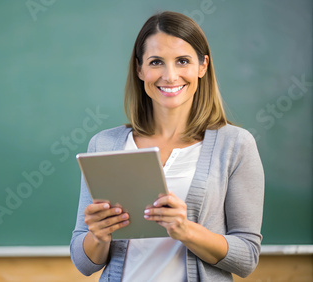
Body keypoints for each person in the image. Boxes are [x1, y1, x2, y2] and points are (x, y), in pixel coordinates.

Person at [70, 11, 265, 282]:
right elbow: (84, 263)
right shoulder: (104, 144)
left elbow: (246, 258)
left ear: (202, 65)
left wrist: (185, 230)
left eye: (182, 61)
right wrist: (98, 235)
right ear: (140, 69)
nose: (170, 75)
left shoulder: (235, 145)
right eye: (156, 62)